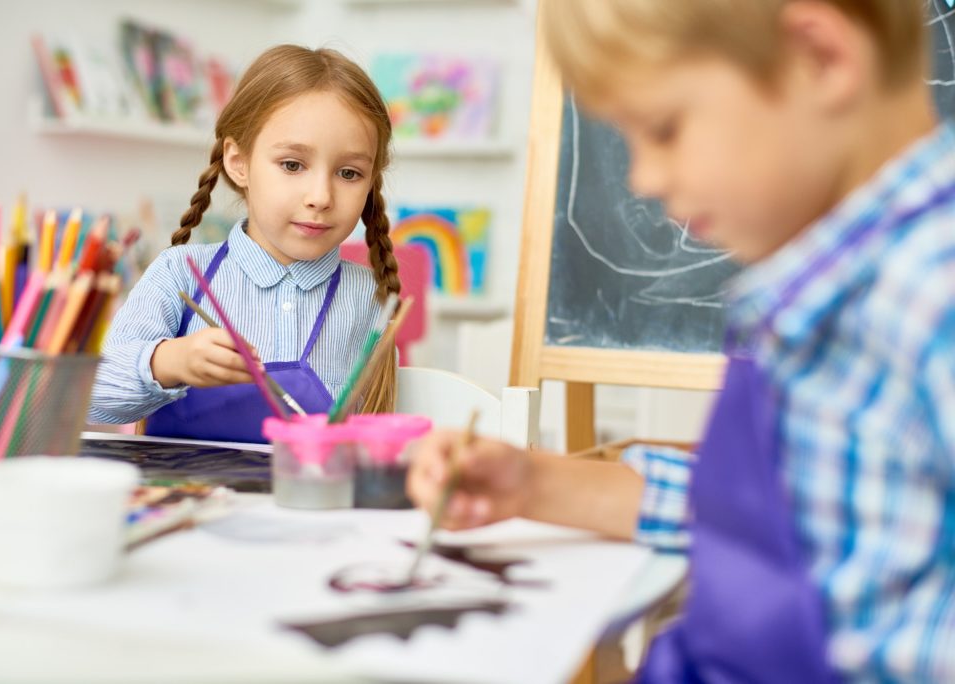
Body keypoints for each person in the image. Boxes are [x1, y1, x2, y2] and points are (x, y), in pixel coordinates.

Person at [408, 1, 955, 680]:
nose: (643, 179)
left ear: (821, 57)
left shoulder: (934, 291)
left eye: (664, 129)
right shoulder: (827, 282)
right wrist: (537, 482)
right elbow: (786, 523)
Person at [89, 45, 400, 443]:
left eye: (349, 172)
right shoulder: (178, 272)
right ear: (238, 162)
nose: (321, 196)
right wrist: (171, 361)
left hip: (309, 500)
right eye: (292, 165)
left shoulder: (369, 298)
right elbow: (95, 397)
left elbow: (379, 430)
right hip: (185, 498)